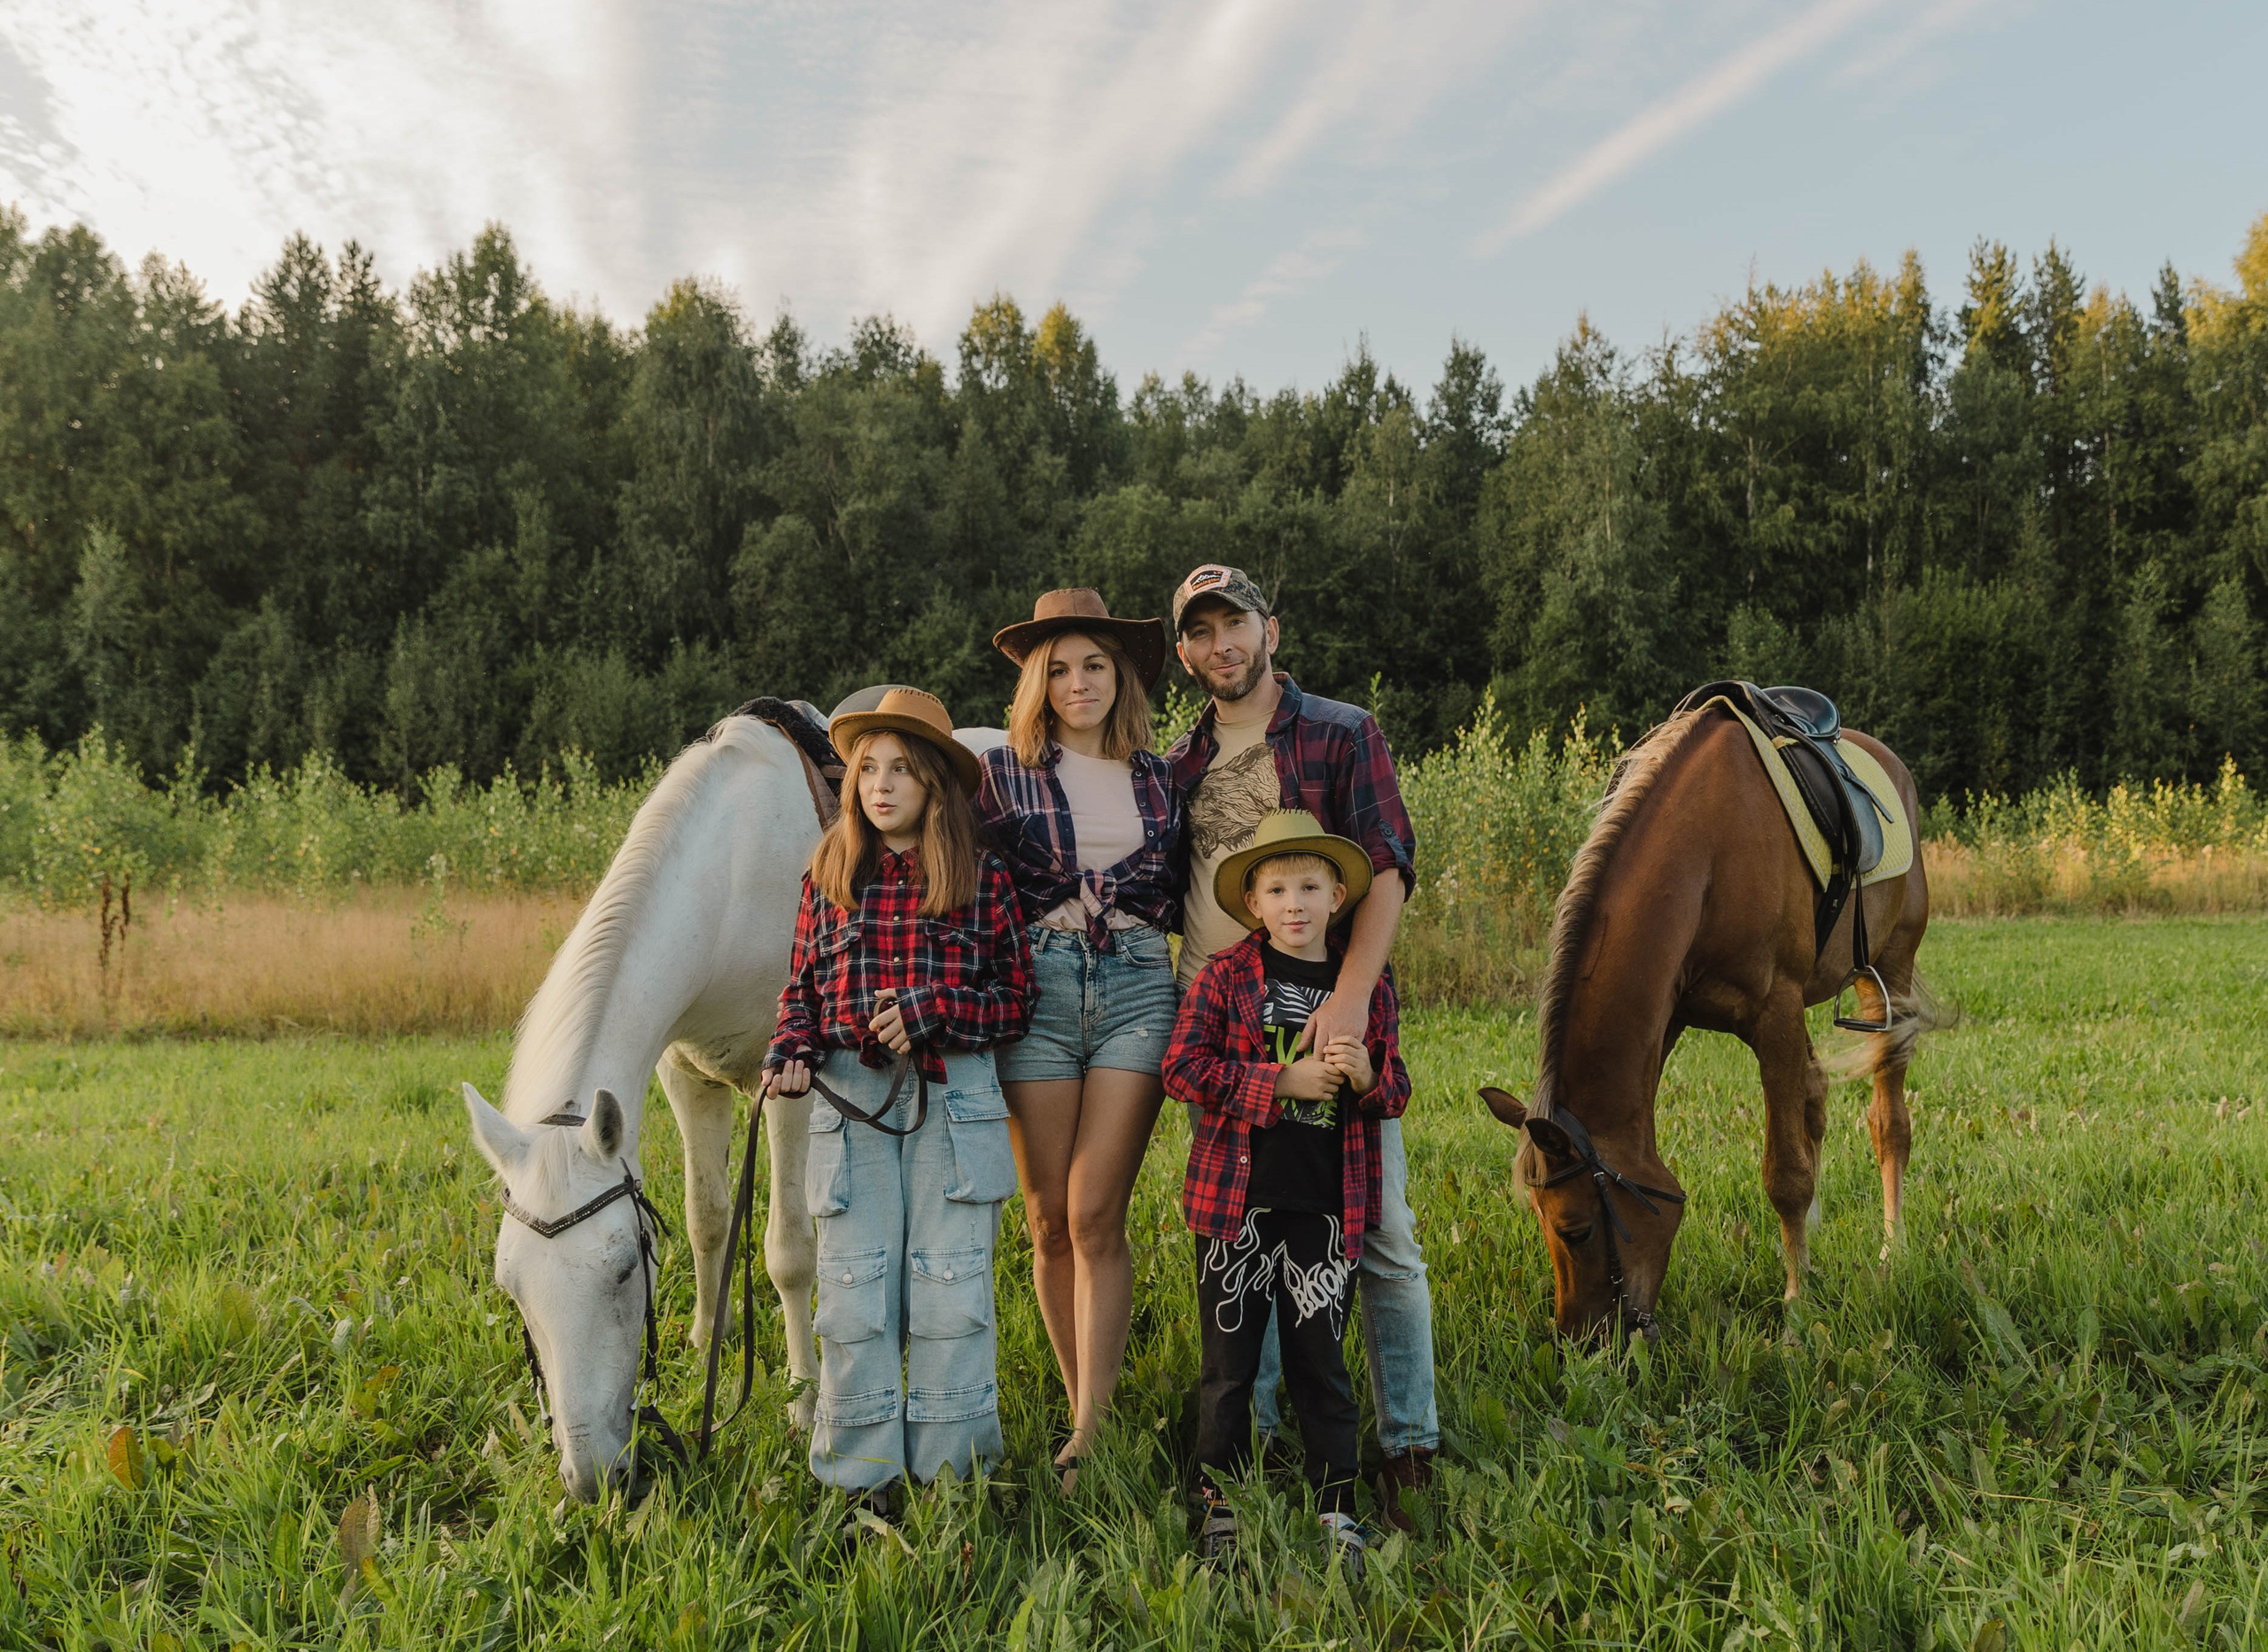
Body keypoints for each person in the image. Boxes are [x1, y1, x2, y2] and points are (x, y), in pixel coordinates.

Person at [1163, 563, 1440, 1529]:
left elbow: (1388, 866)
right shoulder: (1182, 762)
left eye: (1234, 623)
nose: (1222, 644)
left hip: (1330, 1008)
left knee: (1377, 1231)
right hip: (1227, 1016)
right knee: (1252, 1225)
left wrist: (1352, 1000)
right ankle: (1261, 1439)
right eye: (1201, 631)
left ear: (1268, 629)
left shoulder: (1340, 731)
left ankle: (1407, 1442)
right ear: (1186, 651)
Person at [763, 686, 1033, 1525]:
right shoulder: (830, 874)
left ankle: (953, 1478)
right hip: (853, 1100)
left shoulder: (981, 876)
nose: (881, 785)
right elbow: (801, 993)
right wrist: (790, 1049)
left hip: (953, 1094)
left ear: (935, 785)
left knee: (951, 1287)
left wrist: (932, 1009)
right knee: (855, 1286)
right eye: (869, 769)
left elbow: (1015, 998)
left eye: (902, 770)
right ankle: (860, 1479)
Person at [1166, 809, 1411, 1575]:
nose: (1294, 903)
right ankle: (1220, 1500)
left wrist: (1367, 1077)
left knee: (1321, 1365)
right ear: (1254, 903)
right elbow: (1182, 1068)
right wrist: (1278, 1081)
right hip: (1236, 1206)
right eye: (1276, 890)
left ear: (1338, 896)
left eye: (1309, 887)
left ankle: (1335, 1502)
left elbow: (1396, 1088)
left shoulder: (1363, 989)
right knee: (1229, 1366)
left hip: (1327, 1209)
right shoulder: (1224, 977)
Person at [977, 589, 1182, 1493]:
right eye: (1057, 669)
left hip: (1137, 982)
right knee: (1047, 1216)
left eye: (1094, 664)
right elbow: (952, 868)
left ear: (1120, 674)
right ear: (1038, 683)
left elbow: (1201, 884)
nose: (1078, 682)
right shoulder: (1002, 773)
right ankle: (1077, 1411)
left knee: (1097, 1209)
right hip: (1040, 988)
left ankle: (1094, 1428)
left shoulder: (1161, 776)